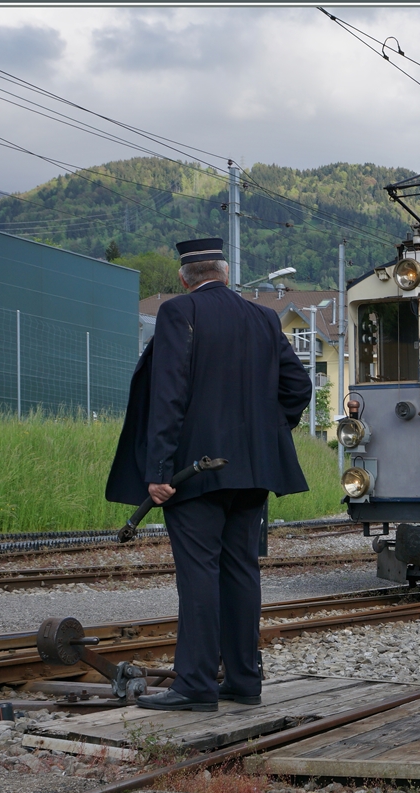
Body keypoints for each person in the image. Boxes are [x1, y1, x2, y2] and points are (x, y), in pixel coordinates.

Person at [106, 238, 312, 711]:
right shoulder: (264, 317)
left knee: (199, 574)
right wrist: (267, 432)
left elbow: (169, 395)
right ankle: (243, 680)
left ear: (184, 279)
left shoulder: (180, 312)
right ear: (225, 273)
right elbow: (298, 387)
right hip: (254, 471)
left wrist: (159, 470)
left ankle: (196, 685)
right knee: (241, 570)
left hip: (192, 473)